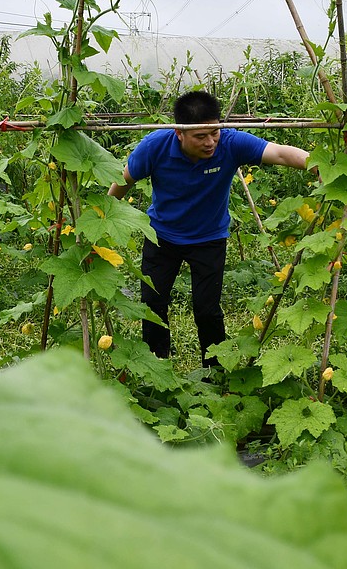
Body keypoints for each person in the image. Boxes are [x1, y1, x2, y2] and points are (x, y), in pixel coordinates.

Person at [108, 91, 309, 369]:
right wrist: (104, 215)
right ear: (179, 132)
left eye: (214, 132)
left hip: (209, 238)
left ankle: (214, 371)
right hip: (162, 236)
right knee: (152, 304)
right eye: (200, 136)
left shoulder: (230, 142)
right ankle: (154, 365)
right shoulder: (155, 146)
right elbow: (124, 179)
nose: (210, 142)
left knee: (207, 310)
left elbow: (280, 154)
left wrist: (318, 165)